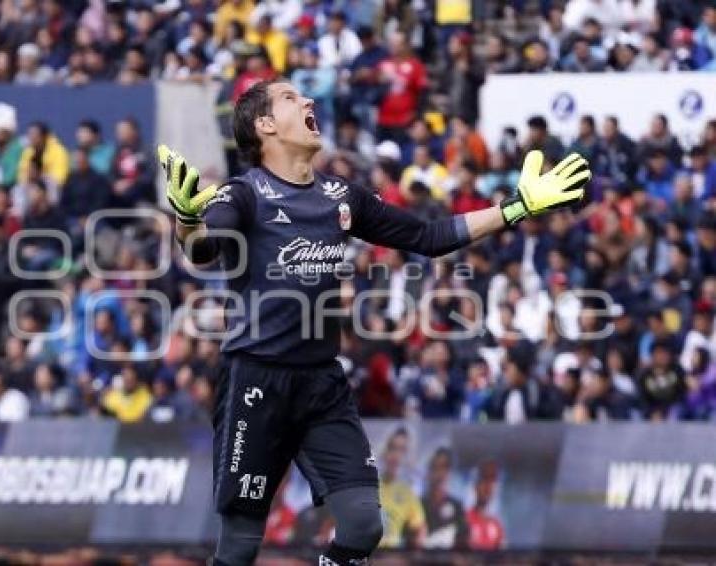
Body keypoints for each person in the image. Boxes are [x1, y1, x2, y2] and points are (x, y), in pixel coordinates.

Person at [159, 77, 591, 565]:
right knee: (239, 544)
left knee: (364, 524)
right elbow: (205, 248)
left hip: (322, 381)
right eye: (289, 98)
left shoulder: (341, 195)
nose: (307, 100)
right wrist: (187, 221)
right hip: (257, 379)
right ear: (264, 125)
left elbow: (429, 236)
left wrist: (515, 208)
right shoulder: (243, 194)